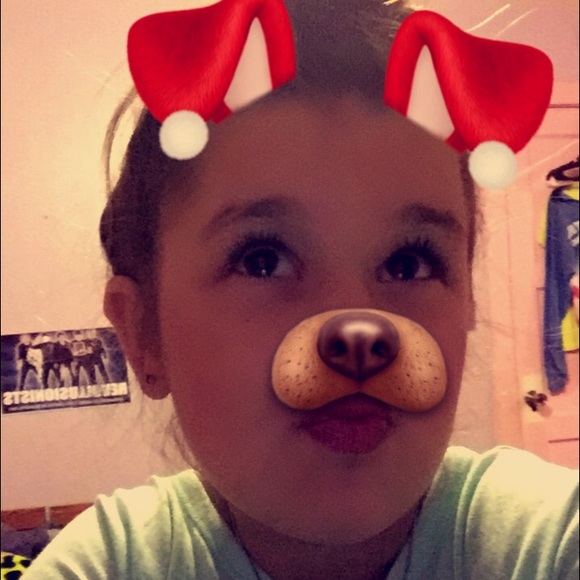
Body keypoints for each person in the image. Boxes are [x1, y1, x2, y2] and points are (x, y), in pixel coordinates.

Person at [25, 1, 578, 578]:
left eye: (409, 263)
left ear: (467, 302)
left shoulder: (547, 542)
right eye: (262, 260)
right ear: (143, 336)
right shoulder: (107, 565)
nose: (358, 330)